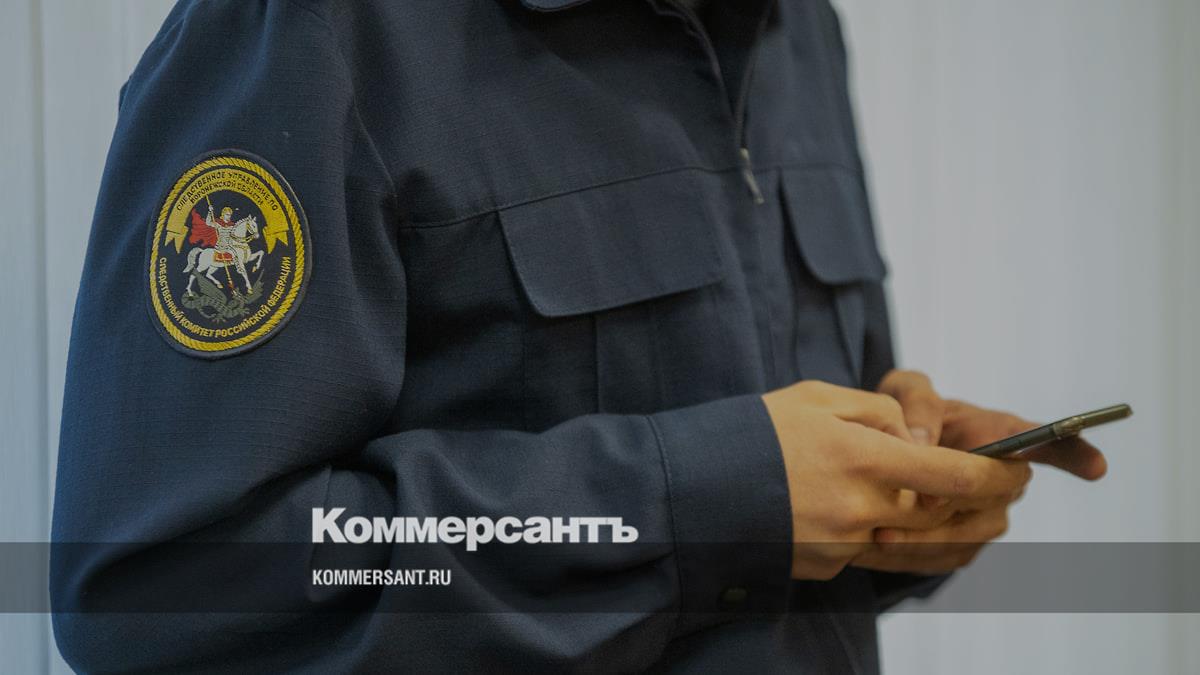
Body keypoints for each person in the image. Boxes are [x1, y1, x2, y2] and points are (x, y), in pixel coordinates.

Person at [51, 0, 1107, 672]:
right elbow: (172, 587)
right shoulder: (317, 31)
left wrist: (897, 495)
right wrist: (715, 500)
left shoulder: (800, 28)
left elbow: (778, 500)